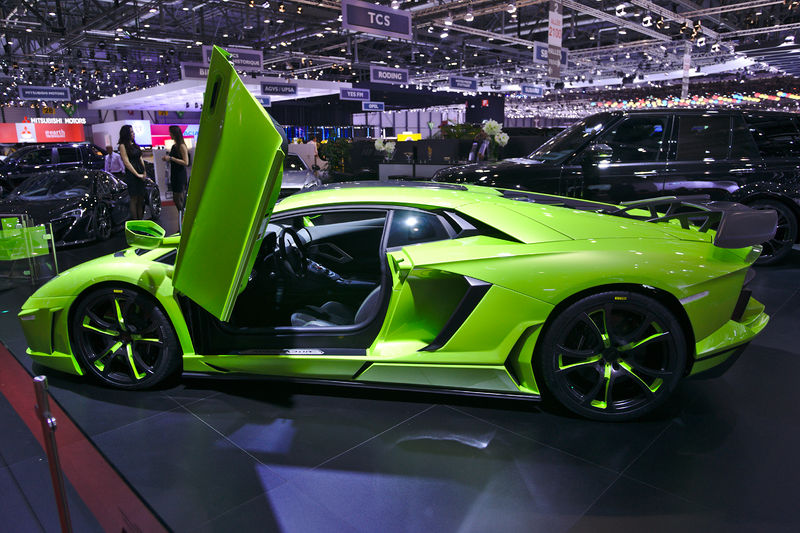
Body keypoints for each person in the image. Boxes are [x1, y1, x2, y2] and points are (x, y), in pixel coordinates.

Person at [161, 125, 190, 227]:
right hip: (175, 174)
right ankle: (183, 222)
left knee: (178, 199)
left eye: (170, 132)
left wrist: (171, 158)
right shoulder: (175, 146)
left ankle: (184, 222)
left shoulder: (181, 146)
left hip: (180, 175)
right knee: (177, 199)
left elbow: (186, 162)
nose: (169, 134)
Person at [118, 124, 147, 220]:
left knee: (141, 199)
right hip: (132, 175)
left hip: (140, 172)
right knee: (134, 199)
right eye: (131, 132)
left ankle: (141, 221)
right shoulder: (122, 146)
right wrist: (137, 174)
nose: (133, 133)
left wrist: (144, 171)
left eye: (133, 131)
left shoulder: (135, 145)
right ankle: (135, 223)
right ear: (126, 134)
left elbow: (140, 158)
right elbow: (126, 162)